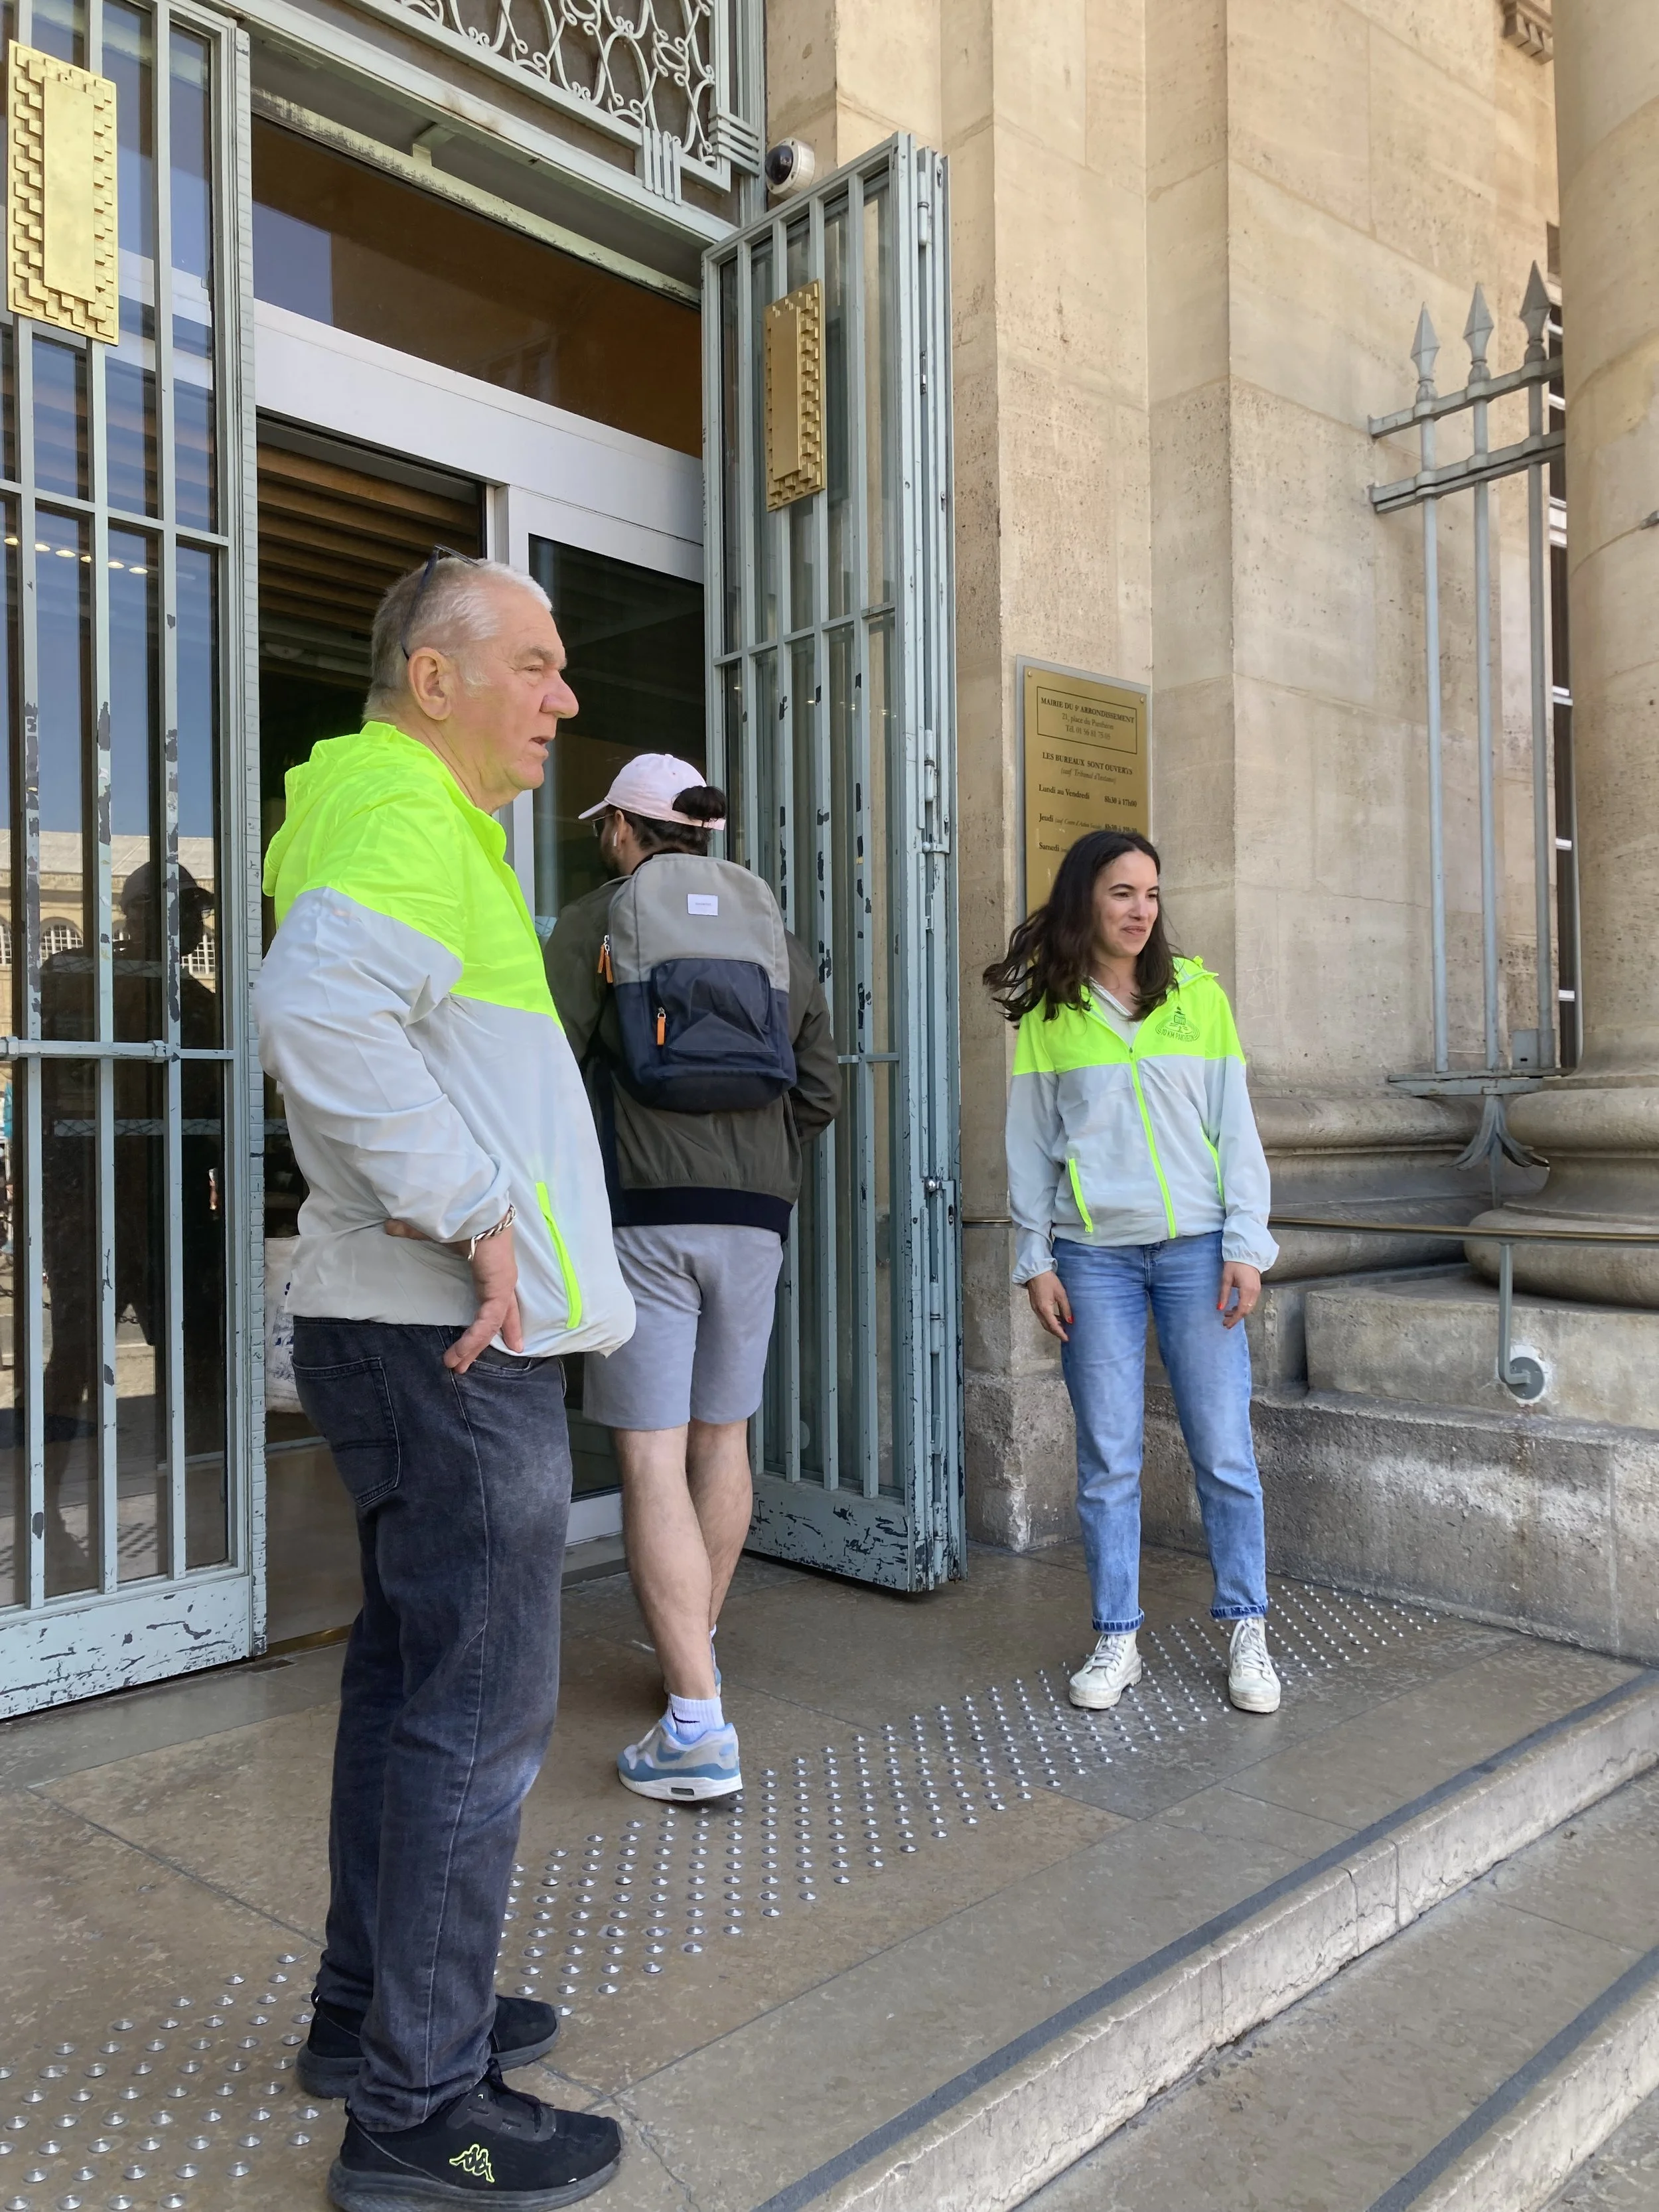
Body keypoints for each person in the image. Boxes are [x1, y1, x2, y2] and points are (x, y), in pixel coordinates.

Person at [255, 553, 632, 2212]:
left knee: (415, 1692)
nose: (561, 696)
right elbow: (322, 1015)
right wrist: (480, 1215)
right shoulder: (405, 807)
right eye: (536, 665)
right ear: (434, 676)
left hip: (410, 1323)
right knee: (476, 1718)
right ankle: (422, 2110)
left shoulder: (381, 806)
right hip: (444, 1331)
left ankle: (372, 2015)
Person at [545, 754, 839, 1803]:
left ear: (627, 828)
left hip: (648, 1216)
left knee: (650, 1460)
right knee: (724, 1440)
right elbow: (820, 1084)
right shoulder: (767, 924)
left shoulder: (600, 919)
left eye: (603, 828)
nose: (602, 843)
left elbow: (547, 1060)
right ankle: (693, 1651)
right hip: (756, 1218)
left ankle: (697, 1724)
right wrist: (765, 1163)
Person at [987, 828, 1282, 1718]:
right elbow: (1031, 1149)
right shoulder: (1051, 1015)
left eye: (1151, 894)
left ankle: (1247, 1629)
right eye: (1122, 893)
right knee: (1108, 1458)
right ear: (1087, 899)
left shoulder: (1198, 996)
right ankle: (1118, 1636)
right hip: (1094, 1258)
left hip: (1197, 1249)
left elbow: (1237, 1128)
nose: (1140, 911)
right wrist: (1034, 1258)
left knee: (1223, 1449)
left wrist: (1245, 1241)